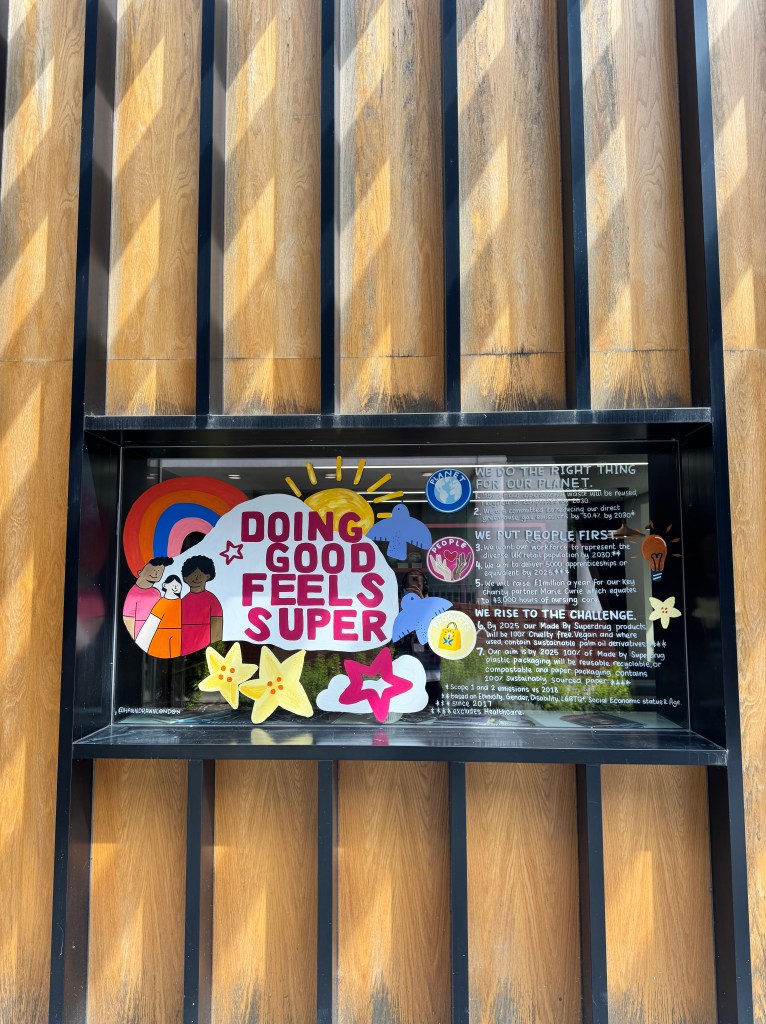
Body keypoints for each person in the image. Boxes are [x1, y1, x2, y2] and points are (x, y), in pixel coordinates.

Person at [180, 554, 223, 655]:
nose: (196, 578)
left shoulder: (212, 600)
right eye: (192, 575)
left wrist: (212, 649)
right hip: (184, 647)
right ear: (185, 578)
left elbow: (217, 630)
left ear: (207, 576)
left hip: (205, 648)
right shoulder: (182, 601)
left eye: (200, 575)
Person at [122, 556, 174, 639]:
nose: (156, 573)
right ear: (140, 572)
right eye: (153, 570)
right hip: (140, 636)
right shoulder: (133, 594)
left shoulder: (156, 593)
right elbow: (128, 618)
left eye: (159, 571)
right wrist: (136, 638)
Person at [136, 575, 183, 658]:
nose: (175, 587)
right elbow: (151, 624)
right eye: (173, 584)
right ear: (165, 585)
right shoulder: (162, 603)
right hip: (161, 642)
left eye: (178, 585)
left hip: (176, 641)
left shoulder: (181, 603)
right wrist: (142, 641)